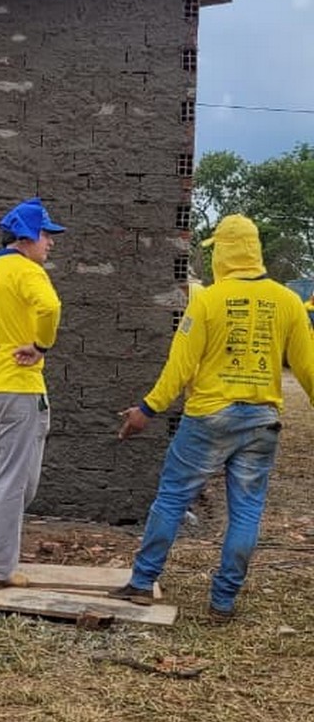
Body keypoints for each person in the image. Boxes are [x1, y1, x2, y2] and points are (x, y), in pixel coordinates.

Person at [113, 213, 314, 622]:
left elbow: (180, 365)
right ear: (254, 250)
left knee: (173, 498)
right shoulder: (289, 302)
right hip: (262, 421)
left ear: (224, 251)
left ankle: (142, 582)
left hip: (208, 419)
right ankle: (222, 602)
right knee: (247, 511)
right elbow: (308, 369)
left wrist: (147, 409)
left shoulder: (206, 300)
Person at [0, 198, 66, 588]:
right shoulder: (27, 271)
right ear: (24, 236)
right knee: (16, 481)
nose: (50, 243)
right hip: (19, 387)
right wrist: (41, 346)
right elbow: (50, 308)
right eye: (45, 235)